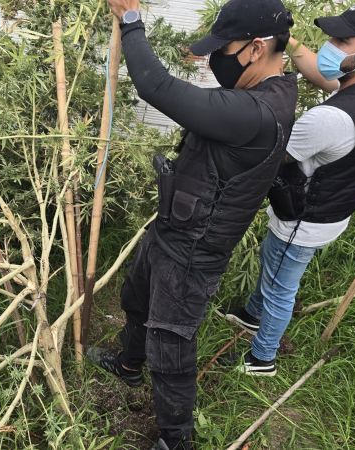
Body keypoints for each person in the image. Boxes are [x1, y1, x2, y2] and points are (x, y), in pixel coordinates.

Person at [87, 0, 297, 448]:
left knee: (172, 345)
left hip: (194, 250)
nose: (214, 58)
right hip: (176, 227)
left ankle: (175, 439)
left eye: (225, 48)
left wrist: (131, 21)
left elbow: (155, 85)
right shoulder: (268, 93)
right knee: (136, 296)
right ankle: (127, 364)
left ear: (256, 48)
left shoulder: (255, 113)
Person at [223, 0, 355, 376]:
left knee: (280, 285)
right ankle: (252, 314)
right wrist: (287, 42)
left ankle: (262, 359)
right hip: (336, 207)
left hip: (304, 216)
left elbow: (267, 152)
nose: (329, 45)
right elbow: (324, 77)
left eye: (341, 40)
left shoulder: (328, 119)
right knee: (275, 267)